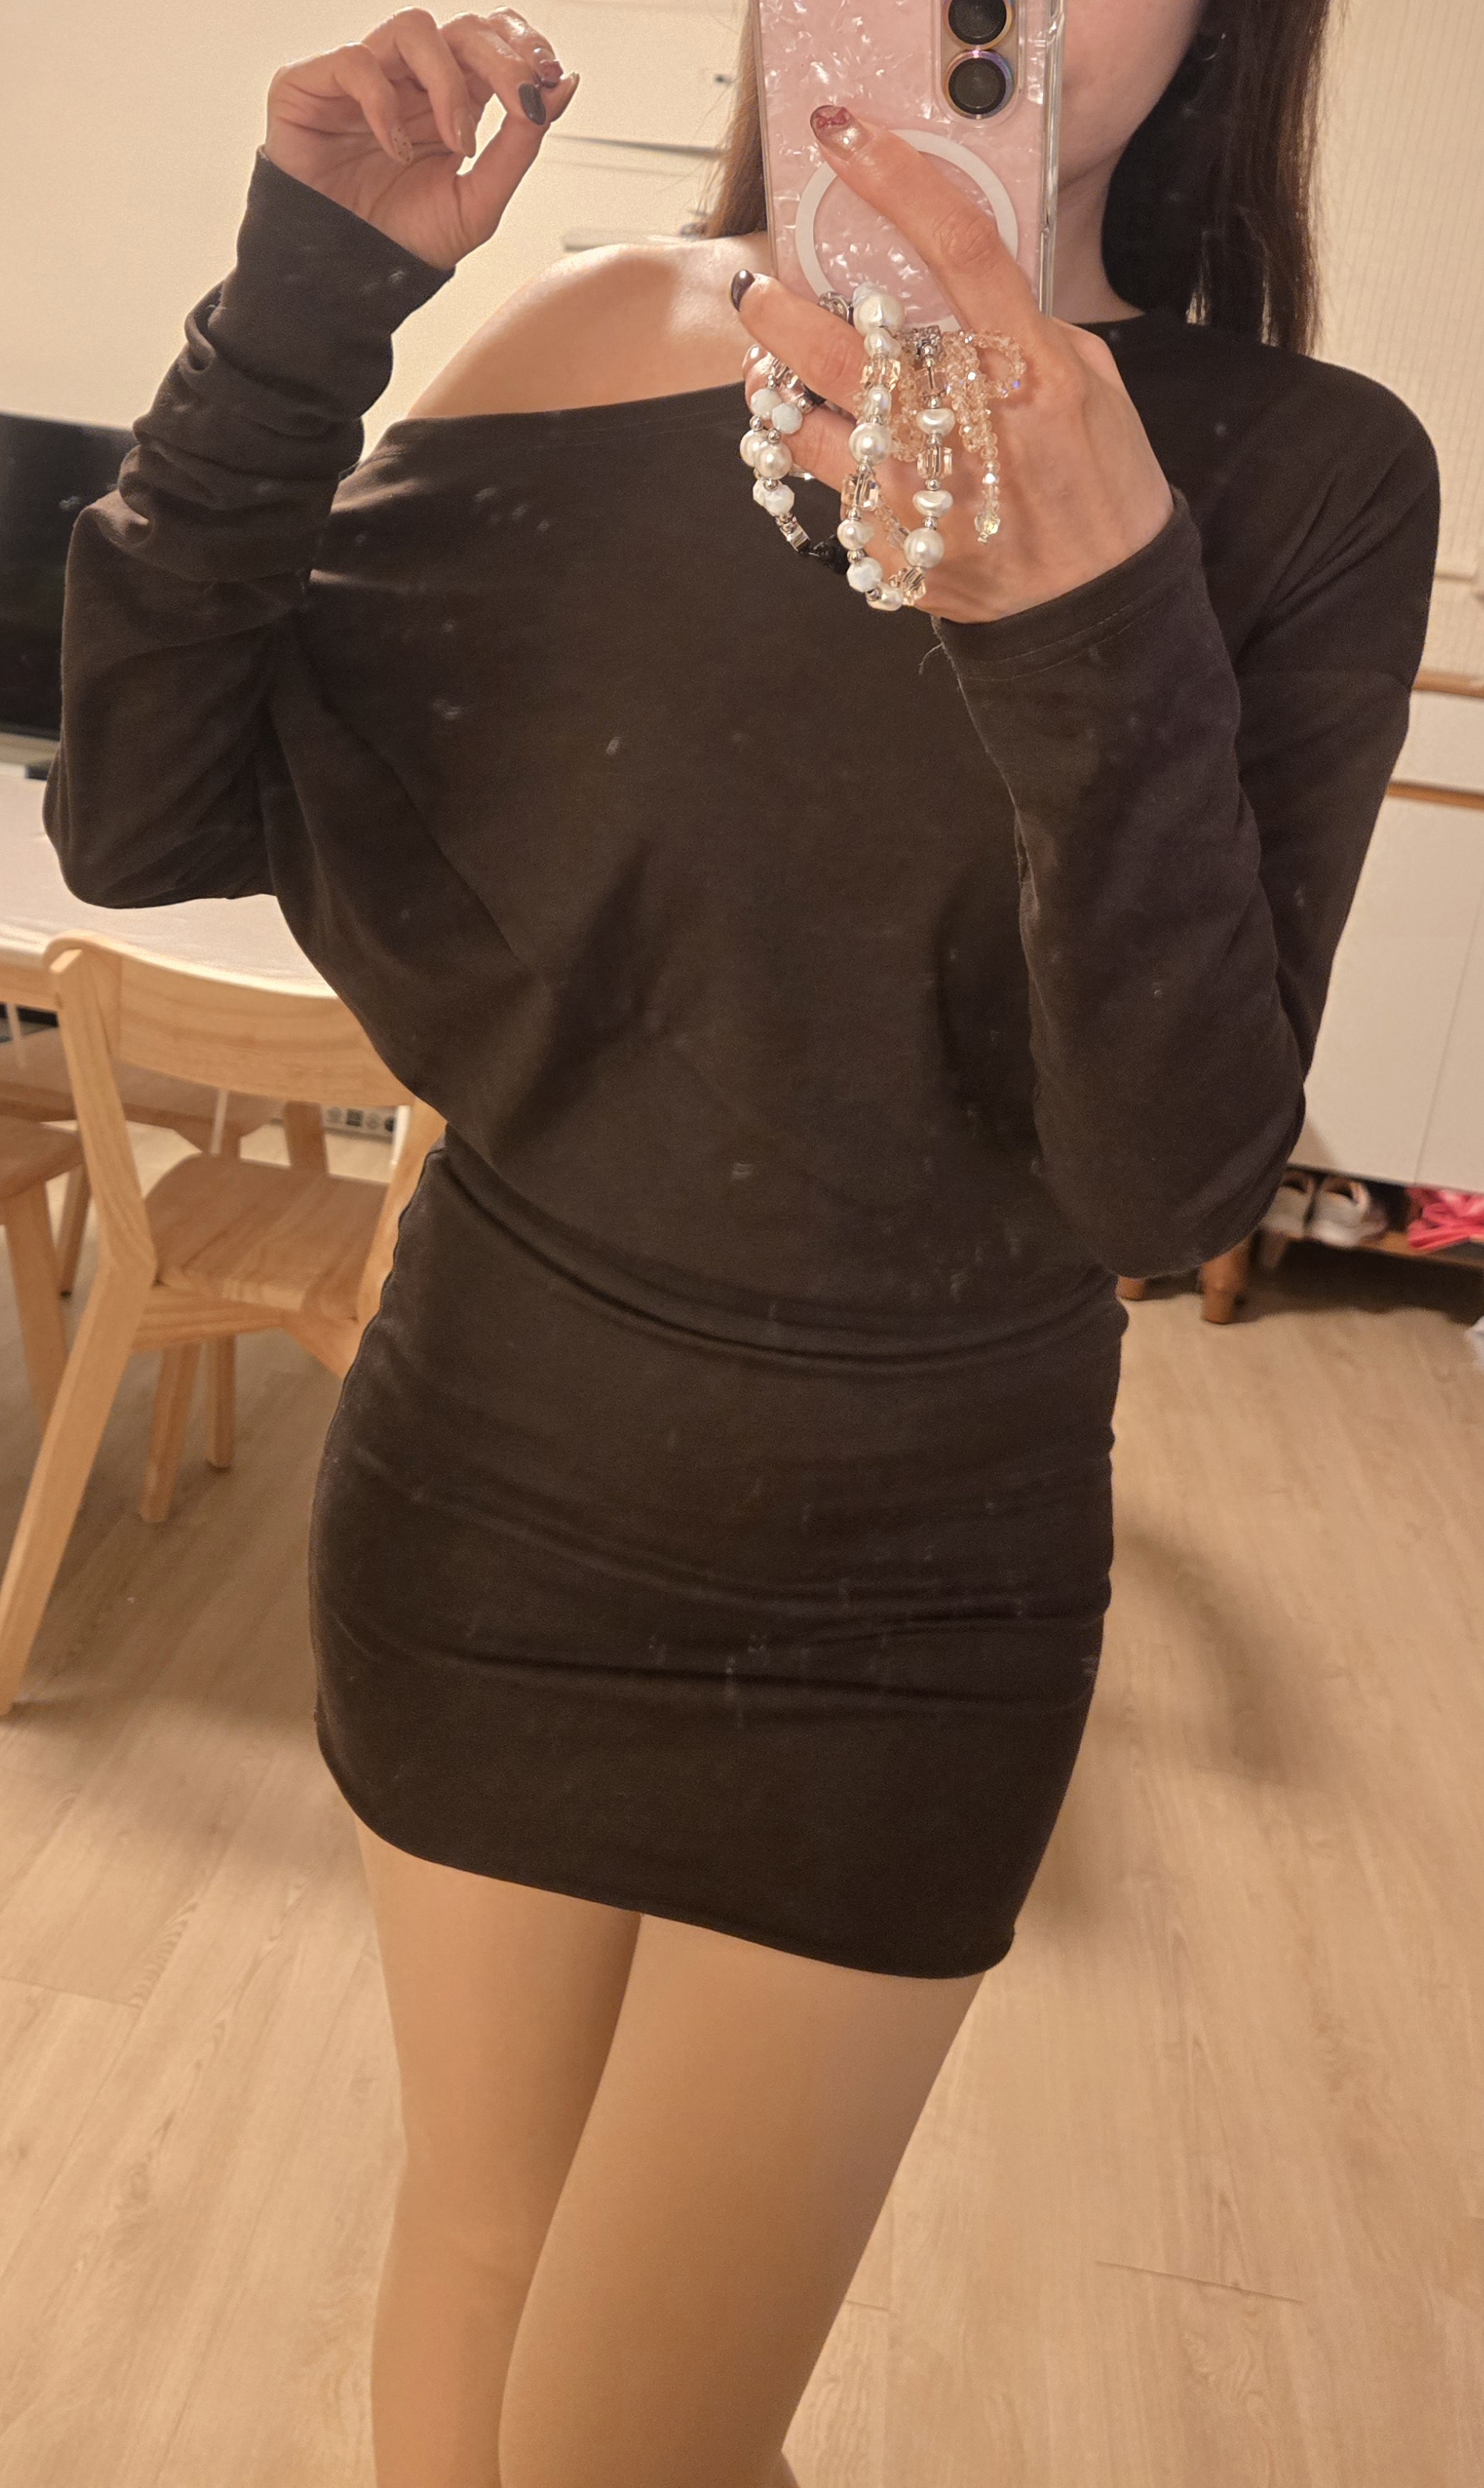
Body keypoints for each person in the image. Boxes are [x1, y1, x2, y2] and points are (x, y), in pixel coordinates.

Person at [44, 4, 1437, 2483]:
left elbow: (1165, 1192)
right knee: (485, 2247)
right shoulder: (577, 334)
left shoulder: (1291, 469)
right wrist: (299, 304)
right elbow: (142, 815)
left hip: (914, 1598)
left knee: (634, 2439)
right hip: (485, 1489)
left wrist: (1092, 624)